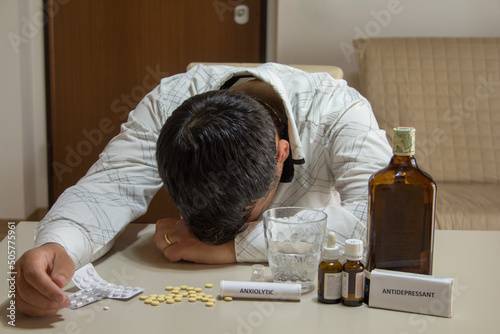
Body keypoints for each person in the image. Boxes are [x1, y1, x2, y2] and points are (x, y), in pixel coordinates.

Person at [14, 63, 392, 316]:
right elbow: (109, 187)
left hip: (307, 299)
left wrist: (231, 247)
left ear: (282, 155)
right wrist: (57, 247)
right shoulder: (169, 103)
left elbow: (379, 221)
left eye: (248, 213)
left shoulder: (342, 112)